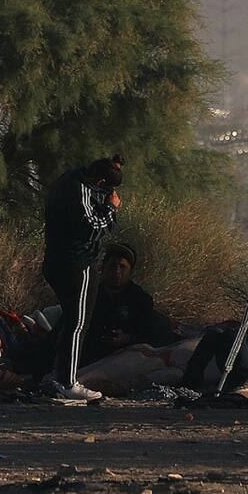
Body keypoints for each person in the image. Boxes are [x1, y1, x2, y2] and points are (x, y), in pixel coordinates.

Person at [43, 154, 124, 401]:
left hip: (59, 261)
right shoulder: (78, 192)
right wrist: (111, 207)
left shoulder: (69, 179)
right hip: (76, 264)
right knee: (78, 324)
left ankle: (59, 377)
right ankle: (68, 382)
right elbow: (91, 229)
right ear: (99, 180)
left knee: (71, 322)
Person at [82, 241, 155, 366]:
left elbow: (152, 336)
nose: (116, 271)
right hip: (89, 355)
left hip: (125, 360)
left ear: (130, 271)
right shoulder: (88, 295)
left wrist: (127, 338)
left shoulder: (140, 299)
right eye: (112, 266)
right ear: (103, 268)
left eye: (122, 267)